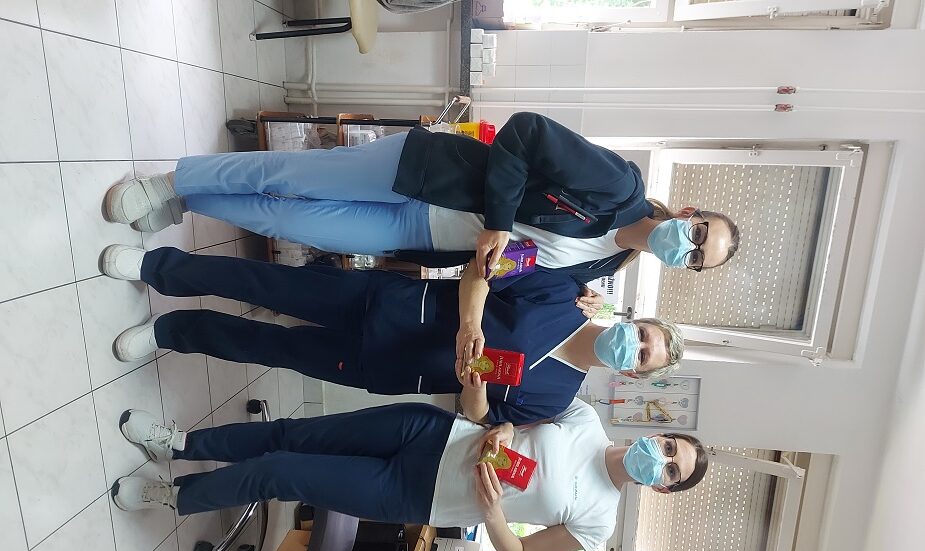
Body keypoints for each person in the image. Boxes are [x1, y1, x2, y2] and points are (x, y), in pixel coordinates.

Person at [102, 112, 740, 292]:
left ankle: (187, 203)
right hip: (425, 173)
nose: (685, 248)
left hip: (423, 237)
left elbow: (519, 269)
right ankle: (172, 181)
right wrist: (499, 223)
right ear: (688, 214)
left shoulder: (603, 267)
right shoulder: (620, 188)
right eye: (698, 234)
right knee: (294, 176)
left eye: (695, 258)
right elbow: (525, 133)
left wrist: (500, 278)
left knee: (290, 221)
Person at [100, 244, 684, 425]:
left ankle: (170, 331)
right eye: (641, 336)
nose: (632, 347)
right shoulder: (562, 295)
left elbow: (482, 417)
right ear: (629, 320)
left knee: (270, 347)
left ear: (631, 374)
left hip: (389, 366)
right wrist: (472, 324)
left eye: (641, 357)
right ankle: (158, 268)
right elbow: (481, 272)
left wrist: (473, 387)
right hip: (393, 303)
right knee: (268, 284)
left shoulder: (556, 398)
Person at [110, 399, 709, 551]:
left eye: (671, 470)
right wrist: (502, 428)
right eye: (668, 447)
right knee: (294, 433)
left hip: (416, 494)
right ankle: (181, 444)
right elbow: (510, 412)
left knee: (282, 473)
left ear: (661, 488)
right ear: (657, 432)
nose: (660, 459)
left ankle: (178, 497)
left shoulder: (599, 521)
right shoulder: (584, 416)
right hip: (431, 432)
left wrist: (493, 512)